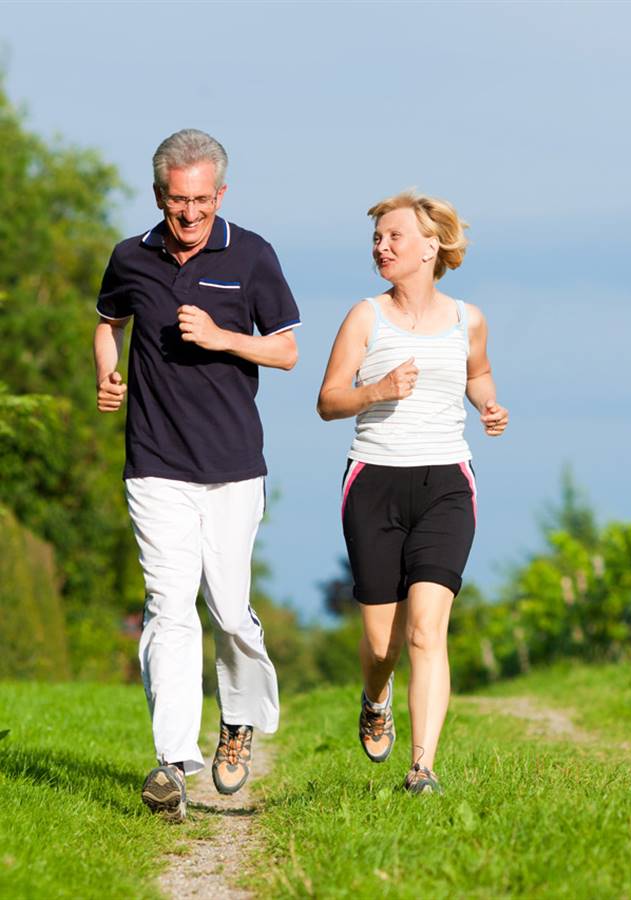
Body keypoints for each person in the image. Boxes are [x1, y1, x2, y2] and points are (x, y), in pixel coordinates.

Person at [94, 129, 300, 822]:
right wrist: (108, 370)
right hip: (155, 464)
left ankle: (237, 721)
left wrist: (222, 338)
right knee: (168, 605)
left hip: (234, 467)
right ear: (159, 195)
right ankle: (172, 763)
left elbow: (288, 352)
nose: (189, 215)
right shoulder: (130, 257)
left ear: (222, 194)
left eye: (202, 202)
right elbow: (106, 320)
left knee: (229, 611)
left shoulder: (252, 255)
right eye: (178, 201)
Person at [316, 190, 508, 794]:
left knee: (427, 628)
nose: (381, 247)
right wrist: (378, 390)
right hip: (374, 480)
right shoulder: (365, 317)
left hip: (446, 482)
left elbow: (477, 373)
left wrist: (488, 405)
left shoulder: (468, 319)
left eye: (393, 236)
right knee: (382, 642)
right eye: (376, 238)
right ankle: (376, 699)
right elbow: (328, 400)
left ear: (431, 246)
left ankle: (422, 768)